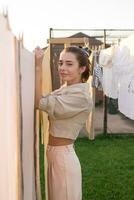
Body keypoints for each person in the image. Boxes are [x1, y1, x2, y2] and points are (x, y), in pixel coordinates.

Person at [35, 46, 93, 200]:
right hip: (56, 157)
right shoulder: (66, 89)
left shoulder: (81, 97)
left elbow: (39, 102)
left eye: (69, 64)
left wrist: (37, 66)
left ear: (81, 68)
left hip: (63, 160)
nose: (62, 68)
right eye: (60, 63)